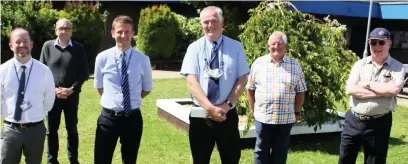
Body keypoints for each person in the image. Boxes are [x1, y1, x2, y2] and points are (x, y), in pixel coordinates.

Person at [180, 6, 250, 164]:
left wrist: (227, 105)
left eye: (213, 21)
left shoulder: (236, 47)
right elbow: (191, 81)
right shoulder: (194, 49)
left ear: (222, 22)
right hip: (201, 116)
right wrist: (210, 109)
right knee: (200, 160)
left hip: (227, 114)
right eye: (206, 22)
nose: (210, 25)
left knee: (231, 159)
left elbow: (243, 79)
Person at [339, 27, 405, 164]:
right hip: (353, 121)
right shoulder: (359, 64)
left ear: (389, 43)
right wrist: (382, 93)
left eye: (381, 42)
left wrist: (366, 84)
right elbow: (350, 89)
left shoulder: (398, 67)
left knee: (375, 161)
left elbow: (394, 90)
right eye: (373, 42)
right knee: (345, 159)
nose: (376, 46)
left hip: (379, 123)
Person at [93, 15, 152, 164]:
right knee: (101, 159)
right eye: (120, 32)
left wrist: (129, 101)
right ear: (113, 33)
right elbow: (100, 87)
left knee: (129, 160)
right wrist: (115, 100)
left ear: (133, 33)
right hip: (108, 119)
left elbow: (146, 89)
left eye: (127, 32)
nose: (123, 36)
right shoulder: (102, 58)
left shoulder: (143, 59)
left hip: (132, 118)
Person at [246, 31, 307, 164]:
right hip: (263, 117)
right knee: (261, 150)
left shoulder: (295, 65)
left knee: (280, 151)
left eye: (280, 44)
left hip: (285, 118)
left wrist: (297, 112)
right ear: (268, 45)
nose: (276, 47)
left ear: (285, 46)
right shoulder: (258, 63)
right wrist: (252, 109)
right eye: (273, 44)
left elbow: (301, 91)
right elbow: (250, 89)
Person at [0, 28, 56, 164]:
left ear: (31, 44)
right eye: (17, 42)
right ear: (11, 45)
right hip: (11, 131)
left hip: (35, 130)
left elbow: (49, 100)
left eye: (25, 41)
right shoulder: (3, 70)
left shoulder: (44, 71)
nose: (22, 45)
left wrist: (35, 115)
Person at [40, 18, 89, 164]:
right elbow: (41, 72)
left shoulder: (78, 48)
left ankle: (73, 159)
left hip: (71, 97)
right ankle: (51, 160)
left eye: (68, 28)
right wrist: (53, 90)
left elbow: (84, 74)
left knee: (72, 130)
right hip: (52, 97)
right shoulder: (47, 46)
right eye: (62, 28)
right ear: (56, 30)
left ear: (71, 31)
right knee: (51, 131)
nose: (65, 31)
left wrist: (72, 89)